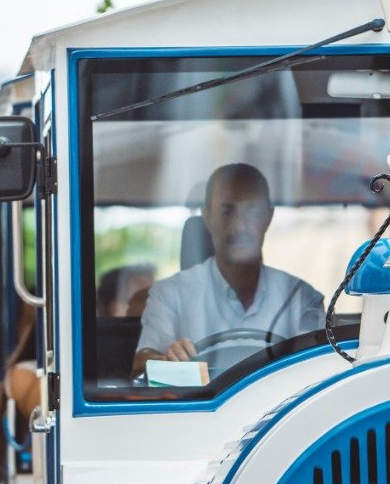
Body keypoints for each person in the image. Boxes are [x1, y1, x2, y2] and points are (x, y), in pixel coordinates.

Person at [133, 163, 324, 380]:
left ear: (269, 217)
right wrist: (167, 360)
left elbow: (314, 373)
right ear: (207, 217)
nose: (240, 227)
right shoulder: (170, 293)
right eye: (227, 211)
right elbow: (140, 366)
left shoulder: (302, 298)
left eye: (252, 210)